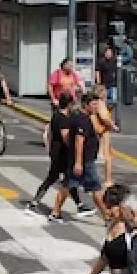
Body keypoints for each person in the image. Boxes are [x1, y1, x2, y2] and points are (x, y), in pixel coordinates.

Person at [25, 93, 88, 214]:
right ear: (69, 104)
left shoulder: (56, 116)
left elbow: (49, 135)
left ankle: (79, 204)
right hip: (61, 154)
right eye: (73, 103)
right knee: (62, 179)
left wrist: (49, 149)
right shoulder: (62, 119)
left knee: (62, 179)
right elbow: (65, 137)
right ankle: (35, 202)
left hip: (56, 152)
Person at [49, 94, 105, 223]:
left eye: (97, 104)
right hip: (85, 161)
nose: (96, 107)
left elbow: (69, 136)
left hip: (78, 160)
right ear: (86, 105)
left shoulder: (77, 117)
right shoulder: (83, 120)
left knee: (67, 186)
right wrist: (78, 162)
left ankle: (55, 212)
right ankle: (107, 216)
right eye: (94, 104)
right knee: (96, 188)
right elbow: (79, 140)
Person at [91, 87, 119, 187]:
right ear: (102, 93)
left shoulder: (94, 103)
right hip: (103, 132)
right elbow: (104, 117)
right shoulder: (100, 103)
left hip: (99, 131)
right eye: (105, 93)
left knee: (109, 155)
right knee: (108, 157)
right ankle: (108, 179)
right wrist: (113, 126)